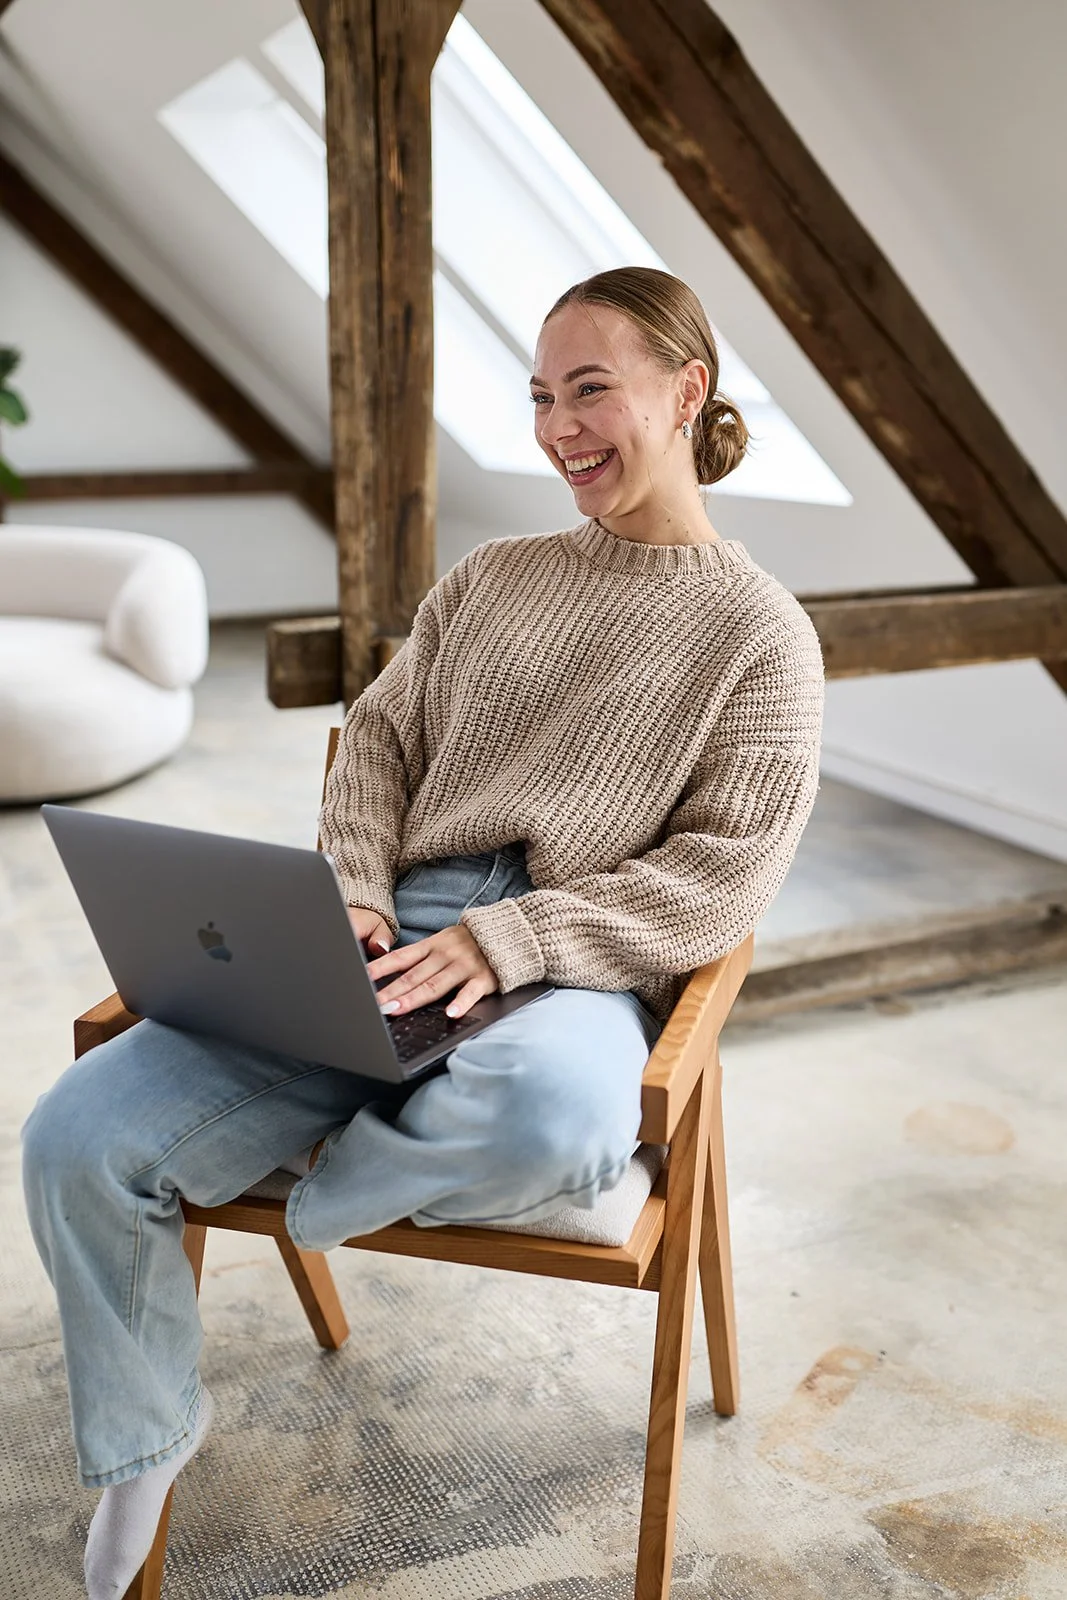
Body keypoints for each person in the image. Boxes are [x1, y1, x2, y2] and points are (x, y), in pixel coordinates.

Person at [21, 266, 824, 1598]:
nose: (561, 426)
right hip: (387, 931)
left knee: (556, 1124)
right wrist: (352, 890)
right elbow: (374, 750)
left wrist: (515, 941)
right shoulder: (494, 577)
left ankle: (326, 1179)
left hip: (569, 963)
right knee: (72, 1137)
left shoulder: (759, 635)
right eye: (539, 397)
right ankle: (145, 1438)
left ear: (686, 393)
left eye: (591, 390)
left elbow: (722, 876)